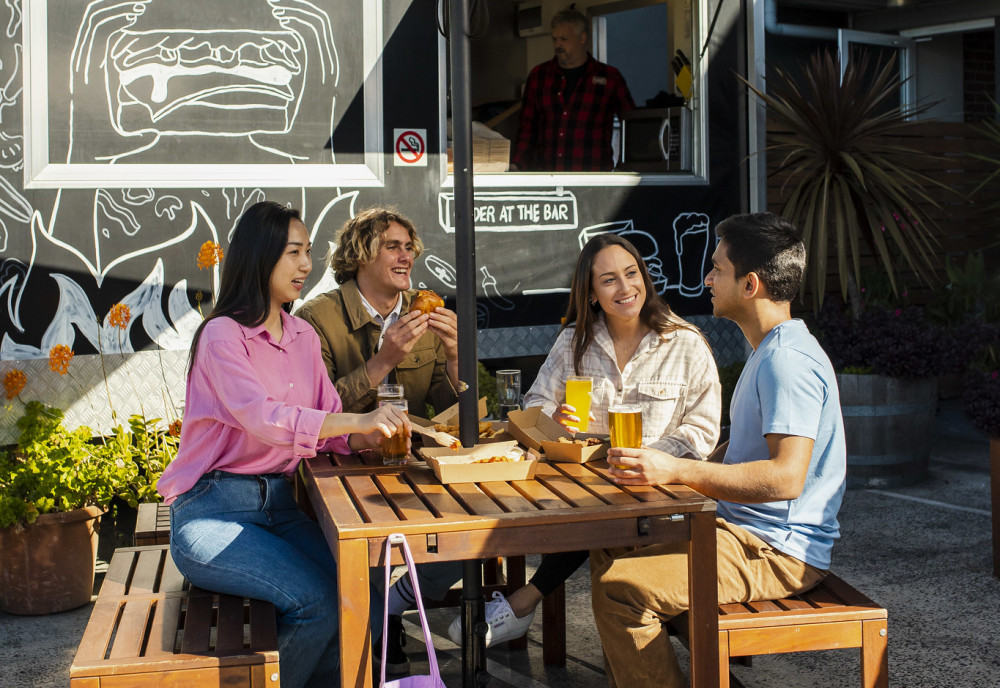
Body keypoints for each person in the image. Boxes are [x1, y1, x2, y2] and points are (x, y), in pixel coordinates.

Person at [158, 201, 411, 688]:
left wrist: (376, 434)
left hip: (280, 507)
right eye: (294, 252)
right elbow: (263, 419)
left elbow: (334, 433)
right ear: (260, 256)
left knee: (367, 597)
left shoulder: (300, 335)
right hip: (212, 514)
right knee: (317, 603)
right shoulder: (222, 336)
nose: (306, 265)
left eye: (308, 252)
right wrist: (355, 417)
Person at [590, 212, 847, 688]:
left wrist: (676, 470)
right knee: (612, 540)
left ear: (750, 285)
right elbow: (751, 444)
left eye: (717, 269)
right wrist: (697, 463)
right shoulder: (770, 349)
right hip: (742, 531)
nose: (706, 278)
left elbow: (786, 477)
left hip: (774, 550)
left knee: (619, 592)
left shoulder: (785, 363)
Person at [448, 232, 721, 647]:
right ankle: (525, 603)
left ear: (645, 279)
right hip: (584, 484)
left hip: (659, 491)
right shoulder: (575, 340)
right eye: (609, 280)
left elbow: (702, 431)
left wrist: (652, 457)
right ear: (592, 293)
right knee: (547, 511)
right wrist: (553, 420)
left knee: (597, 520)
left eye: (631, 274)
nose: (625, 287)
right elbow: (535, 404)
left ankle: (524, 600)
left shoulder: (686, 344)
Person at [296, 206, 460, 676]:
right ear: (360, 254)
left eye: (409, 247)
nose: (406, 255)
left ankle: (394, 604)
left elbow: (446, 415)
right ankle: (372, 652)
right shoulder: (317, 318)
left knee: (478, 529)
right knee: (364, 546)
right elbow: (315, 414)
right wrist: (383, 361)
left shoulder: (424, 313)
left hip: (411, 466)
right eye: (393, 246)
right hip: (342, 473)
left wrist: (454, 359)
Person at [512, 6, 634, 172]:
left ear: (582, 38)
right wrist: (517, 165)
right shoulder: (539, 76)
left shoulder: (609, 78)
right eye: (554, 39)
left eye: (564, 39)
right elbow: (527, 128)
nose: (558, 45)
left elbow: (631, 124)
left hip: (593, 178)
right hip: (548, 177)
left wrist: (624, 167)